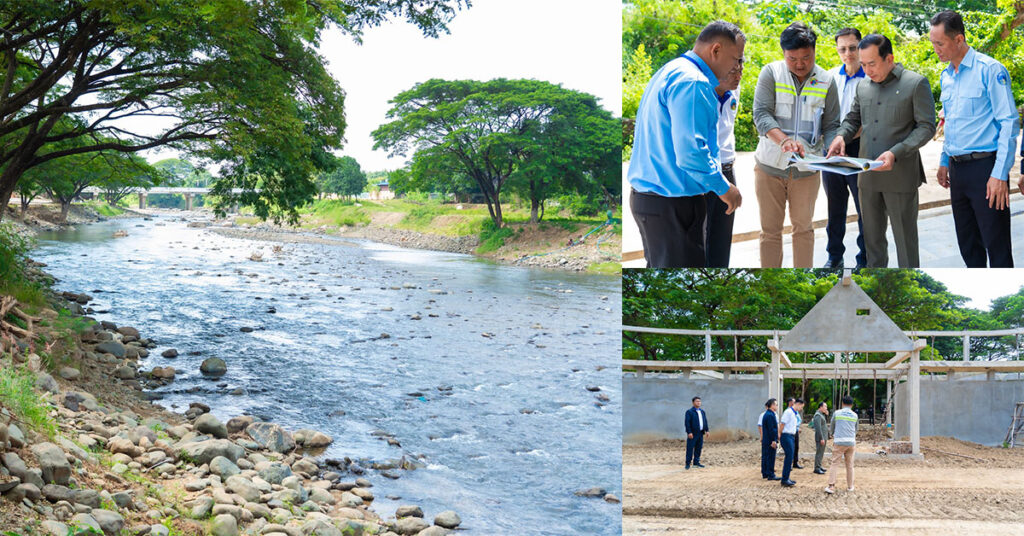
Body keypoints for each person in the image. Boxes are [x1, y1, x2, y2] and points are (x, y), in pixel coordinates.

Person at [628, 21, 745, 267]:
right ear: (716, 50)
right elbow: (692, 153)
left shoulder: (672, 70)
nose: (737, 67)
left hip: (654, 200)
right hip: (671, 203)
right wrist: (725, 188)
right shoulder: (694, 82)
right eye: (735, 59)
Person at [826, 34, 936, 268]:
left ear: (889, 58)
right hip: (868, 178)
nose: (866, 70)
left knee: (906, 245)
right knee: (872, 245)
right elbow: (853, 119)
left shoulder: (915, 83)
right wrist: (840, 137)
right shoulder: (864, 86)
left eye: (872, 64)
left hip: (900, 177)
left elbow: (926, 127)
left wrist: (896, 152)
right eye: (863, 64)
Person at [931, 10, 1020, 268]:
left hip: (986, 170)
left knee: (998, 247)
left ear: (959, 39)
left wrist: (999, 174)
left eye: (940, 43)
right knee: (968, 247)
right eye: (932, 43)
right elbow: (951, 121)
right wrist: (944, 160)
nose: (935, 49)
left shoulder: (990, 70)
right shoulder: (946, 76)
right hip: (957, 172)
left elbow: (1008, 123)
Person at [752, 22, 840, 268]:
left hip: (807, 170)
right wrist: (785, 140)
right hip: (770, 167)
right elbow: (761, 114)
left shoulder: (826, 80)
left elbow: (832, 124)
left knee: (804, 229)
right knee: (769, 231)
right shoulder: (770, 73)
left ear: (814, 51)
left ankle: (804, 279)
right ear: (783, 53)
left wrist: (834, 144)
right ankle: (771, 284)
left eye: (806, 57)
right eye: (793, 59)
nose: (800, 64)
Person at [822, 28, 867, 270]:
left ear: (861, 47)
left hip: (860, 149)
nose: (847, 53)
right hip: (831, 150)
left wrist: (846, 137)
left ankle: (865, 259)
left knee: (865, 209)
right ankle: (834, 256)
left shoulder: (870, 77)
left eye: (852, 47)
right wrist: (833, 141)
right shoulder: (829, 78)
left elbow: (869, 119)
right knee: (835, 208)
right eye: (842, 49)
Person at [705, 63, 744, 267]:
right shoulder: (698, 91)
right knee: (698, 242)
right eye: (733, 68)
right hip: (704, 172)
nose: (738, 75)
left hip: (727, 170)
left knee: (721, 242)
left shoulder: (734, 88)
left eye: (741, 68)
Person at [824, 395, 859, 494]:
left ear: (842, 403)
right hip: (851, 442)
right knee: (850, 465)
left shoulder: (837, 413)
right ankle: (850, 486)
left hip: (839, 442)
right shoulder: (855, 415)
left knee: (835, 463)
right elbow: (856, 429)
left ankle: (831, 486)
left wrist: (832, 434)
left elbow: (832, 426)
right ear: (851, 405)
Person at [779, 397, 804, 486]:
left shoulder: (794, 413)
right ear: (798, 404)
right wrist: (779, 434)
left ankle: (786, 477)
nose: (801, 409)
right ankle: (784, 479)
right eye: (801, 407)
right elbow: (782, 424)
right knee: (789, 456)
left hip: (791, 436)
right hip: (786, 436)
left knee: (790, 456)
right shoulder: (788, 412)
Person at [684, 396, 709, 469]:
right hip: (693, 433)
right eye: (697, 401)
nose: (698, 402)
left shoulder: (702, 411)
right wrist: (689, 432)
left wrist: (707, 430)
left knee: (698, 448)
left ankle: (696, 463)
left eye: (699, 401)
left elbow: (705, 421)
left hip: (701, 433)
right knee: (690, 448)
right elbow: (687, 423)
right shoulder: (689, 412)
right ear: (693, 403)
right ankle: (687, 464)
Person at [761, 398, 781, 480]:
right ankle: (770, 474)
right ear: (772, 405)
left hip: (766, 440)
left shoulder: (767, 414)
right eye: (776, 404)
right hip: (770, 440)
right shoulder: (770, 415)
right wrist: (774, 440)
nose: (776, 406)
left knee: (765, 456)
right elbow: (772, 429)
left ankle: (765, 473)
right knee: (770, 456)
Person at [812, 401, 830, 474]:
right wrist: (821, 438)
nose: (826, 408)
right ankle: (817, 468)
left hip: (823, 437)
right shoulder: (817, 415)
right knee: (819, 452)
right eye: (825, 406)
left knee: (821, 452)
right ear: (821, 407)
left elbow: (824, 424)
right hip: (820, 437)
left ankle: (819, 465)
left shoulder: (821, 415)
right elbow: (818, 428)